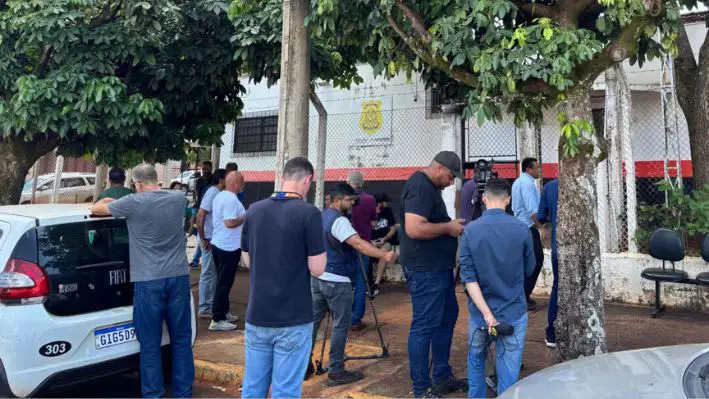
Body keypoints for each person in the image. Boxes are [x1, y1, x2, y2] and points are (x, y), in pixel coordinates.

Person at [90, 163, 194, 398]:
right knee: (181, 341)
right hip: (178, 277)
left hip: (148, 281)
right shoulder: (178, 199)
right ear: (156, 178)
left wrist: (108, 202)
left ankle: (153, 394)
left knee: (150, 345)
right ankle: (183, 393)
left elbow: (96, 209)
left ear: (137, 184)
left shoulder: (134, 203)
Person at [240, 157, 326, 398]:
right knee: (285, 391)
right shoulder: (309, 214)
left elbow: (248, 261)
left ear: (284, 177)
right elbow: (318, 268)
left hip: (258, 315)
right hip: (293, 317)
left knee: (253, 387)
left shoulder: (254, 210)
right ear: (308, 179)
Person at [307, 183, 397, 386]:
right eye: (350, 200)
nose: (353, 204)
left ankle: (303, 365)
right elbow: (357, 243)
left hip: (318, 278)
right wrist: (384, 254)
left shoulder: (319, 217)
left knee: (312, 323)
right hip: (337, 281)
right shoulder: (339, 221)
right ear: (339, 200)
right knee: (340, 326)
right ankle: (336, 370)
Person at [459, 178, 535, 397]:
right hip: (513, 312)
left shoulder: (470, 231)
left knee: (475, 361)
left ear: (484, 198)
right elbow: (529, 269)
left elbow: (468, 278)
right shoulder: (522, 229)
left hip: (480, 316)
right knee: (509, 372)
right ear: (508, 199)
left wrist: (486, 314)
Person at [400, 151, 467, 398]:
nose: (451, 182)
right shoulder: (420, 186)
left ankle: (442, 376)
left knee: (447, 317)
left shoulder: (429, 188)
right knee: (424, 325)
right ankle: (422, 388)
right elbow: (414, 228)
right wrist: (448, 227)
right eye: (450, 176)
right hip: (426, 270)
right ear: (439, 168)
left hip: (438, 269)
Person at [209, 171, 246, 331]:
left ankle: (223, 312)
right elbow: (230, 223)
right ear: (235, 183)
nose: (244, 185)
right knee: (224, 282)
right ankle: (217, 319)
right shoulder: (230, 199)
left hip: (221, 244)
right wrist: (246, 216)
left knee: (225, 281)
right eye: (242, 182)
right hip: (227, 247)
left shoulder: (221, 196)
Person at [511, 157, 544, 310]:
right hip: (528, 226)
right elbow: (532, 210)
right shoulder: (527, 184)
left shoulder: (519, 182)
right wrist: (541, 227)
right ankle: (523, 296)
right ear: (528, 169)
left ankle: (523, 295)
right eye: (537, 168)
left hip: (520, 226)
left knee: (526, 262)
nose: (539, 170)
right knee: (536, 260)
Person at [346, 170, 377, 331]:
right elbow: (373, 223)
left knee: (344, 282)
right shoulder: (369, 199)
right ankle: (356, 319)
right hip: (364, 244)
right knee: (360, 282)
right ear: (362, 182)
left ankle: (342, 316)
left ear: (348, 182)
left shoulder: (342, 199)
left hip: (345, 245)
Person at [196, 169, 227, 319]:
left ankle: (212, 306)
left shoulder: (218, 193)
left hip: (213, 239)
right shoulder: (212, 193)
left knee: (214, 274)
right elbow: (200, 214)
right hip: (209, 239)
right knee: (208, 274)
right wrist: (203, 238)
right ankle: (205, 308)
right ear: (221, 180)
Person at [538, 179, 559, 348]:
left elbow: (541, 216)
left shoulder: (549, 187)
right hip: (581, 248)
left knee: (557, 286)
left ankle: (552, 333)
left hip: (559, 246)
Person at [370, 193, 397, 297]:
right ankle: (367, 282)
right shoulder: (369, 212)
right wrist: (370, 242)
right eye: (385, 202)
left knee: (383, 253)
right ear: (379, 203)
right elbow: (365, 230)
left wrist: (384, 239)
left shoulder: (388, 212)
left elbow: (393, 229)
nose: (387, 203)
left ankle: (376, 283)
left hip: (384, 241)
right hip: (371, 242)